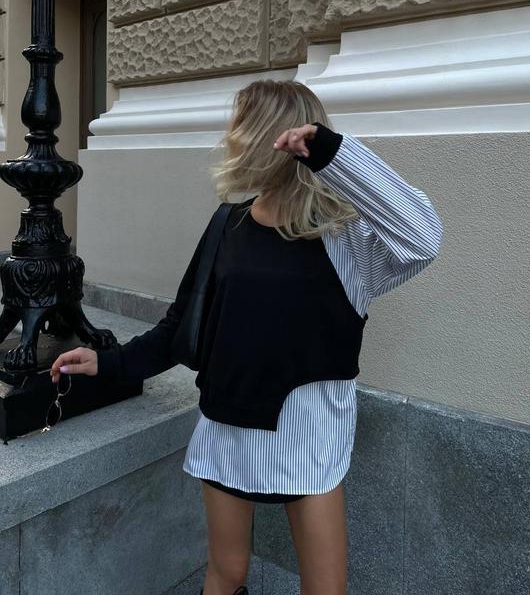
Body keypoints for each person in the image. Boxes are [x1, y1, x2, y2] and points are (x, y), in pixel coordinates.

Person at [50, 79, 443, 595]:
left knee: (325, 588)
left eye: (241, 124)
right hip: (226, 423)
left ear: (264, 135)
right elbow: (182, 324)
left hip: (306, 434)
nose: (231, 136)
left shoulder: (344, 238)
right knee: (225, 573)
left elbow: (423, 236)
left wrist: (331, 152)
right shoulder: (227, 223)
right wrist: (110, 362)